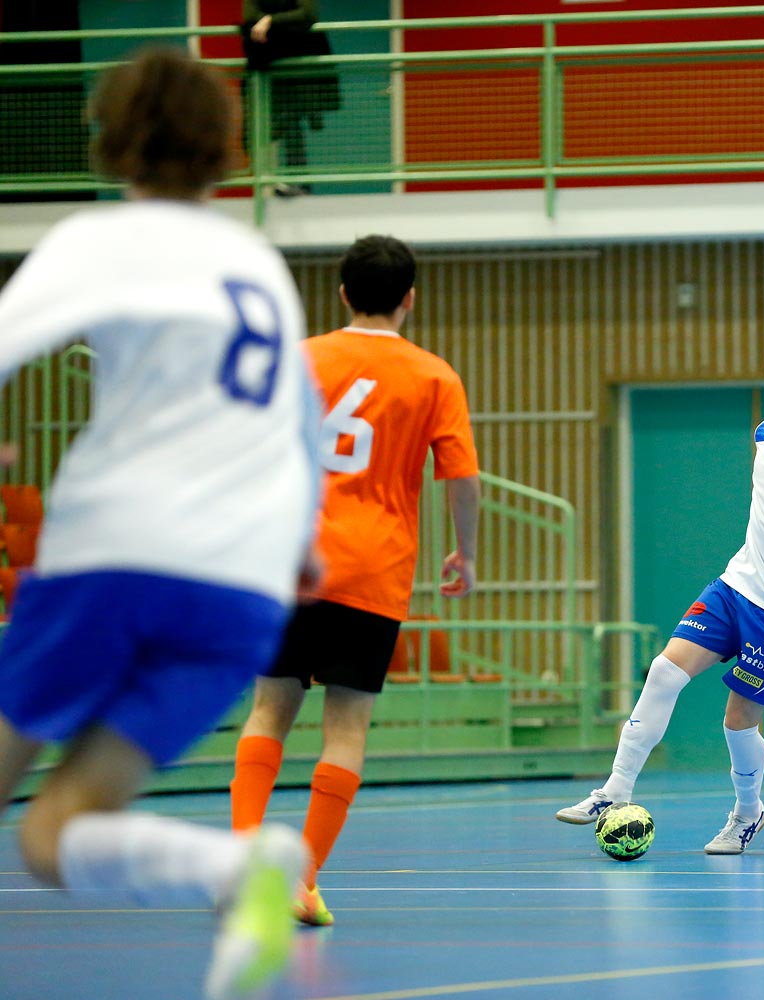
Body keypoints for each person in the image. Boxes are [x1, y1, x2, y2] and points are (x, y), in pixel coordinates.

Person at [0, 48, 322, 1000]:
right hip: (243, 589)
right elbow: (299, 426)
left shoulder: (103, 242)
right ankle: (238, 867)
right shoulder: (259, 266)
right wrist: (299, 548)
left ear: (110, 138)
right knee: (52, 835)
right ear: (225, 147)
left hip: (120, 554)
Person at [227, 234, 481, 927]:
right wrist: (466, 553)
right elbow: (461, 477)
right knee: (345, 731)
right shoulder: (434, 376)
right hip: (374, 571)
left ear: (341, 294)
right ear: (410, 299)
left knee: (267, 711)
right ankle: (300, 882)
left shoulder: (301, 360)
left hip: (291, 563)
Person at [556, 345, 764, 854]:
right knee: (664, 672)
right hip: (736, 587)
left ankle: (747, 813)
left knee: (737, 722)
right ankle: (614, 790)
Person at [240, 0, 341, 197]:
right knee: (263, 127)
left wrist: (269, 20)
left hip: (299, 71)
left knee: (292, 125)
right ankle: (268, 185)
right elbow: (250, 17)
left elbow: (308, 14)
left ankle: (298, 182)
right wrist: (278, 23)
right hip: (265, 68)